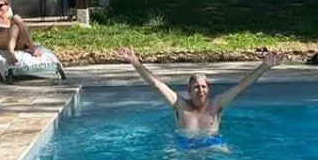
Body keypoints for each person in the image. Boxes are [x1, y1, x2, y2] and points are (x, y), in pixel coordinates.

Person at [117, 46, 284, 147]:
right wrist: (136, 63)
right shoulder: (180, 104)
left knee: (227, 158)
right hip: (184, 144)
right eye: (196, 87)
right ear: (189, 91)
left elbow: (242, 86)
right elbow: (157, 84)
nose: (200, 90)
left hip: (213, 143)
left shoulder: (216, 104)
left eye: (203, 86)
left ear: (208, 90)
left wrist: (264, 67)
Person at [0, 0, 56, 68]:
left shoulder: (11, 20)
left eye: (0, 5)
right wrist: (9, 34)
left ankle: (14, 49)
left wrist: (14, 33)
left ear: (8, 6)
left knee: (16, 23)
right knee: (16, 20)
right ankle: (28, 49)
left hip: (16, 44)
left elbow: (23, 31)